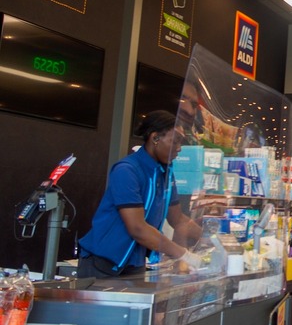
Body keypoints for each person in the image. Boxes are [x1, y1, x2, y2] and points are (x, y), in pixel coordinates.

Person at [78, 111, 203, 278]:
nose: (179, 149)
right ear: (155, 138)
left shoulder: (165, 173)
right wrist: (182, 254)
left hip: (135, 263)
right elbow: (137, 228)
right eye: (175, 142)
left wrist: (212, 239)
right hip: (103, 263)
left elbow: (178, 219)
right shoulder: (126, 170)